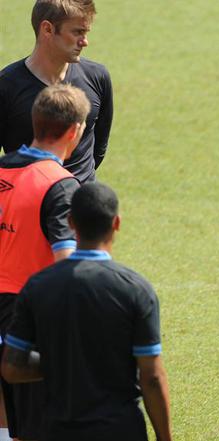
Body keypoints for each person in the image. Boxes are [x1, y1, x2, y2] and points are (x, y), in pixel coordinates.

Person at [1, 182, 171, 441]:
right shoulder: (135, 289)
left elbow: (12, 368)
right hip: (119, 430)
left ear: (70, 222)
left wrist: (64, 364)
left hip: (56, 429)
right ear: (116, 224)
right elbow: (152, 377)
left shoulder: (37, 287)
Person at [0, 83, 87, 441]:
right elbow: (66, 265)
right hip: (28, 319)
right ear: (75, 131)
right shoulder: (60, 184)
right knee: (37, 425)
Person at [0, 0, 114, 183]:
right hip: (30, 204)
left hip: (80, 206)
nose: (85, 42)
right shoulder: (6, 86)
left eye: (85, 32)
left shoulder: (97, 77)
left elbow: (98, 149)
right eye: (77, 32)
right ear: (47, 29)